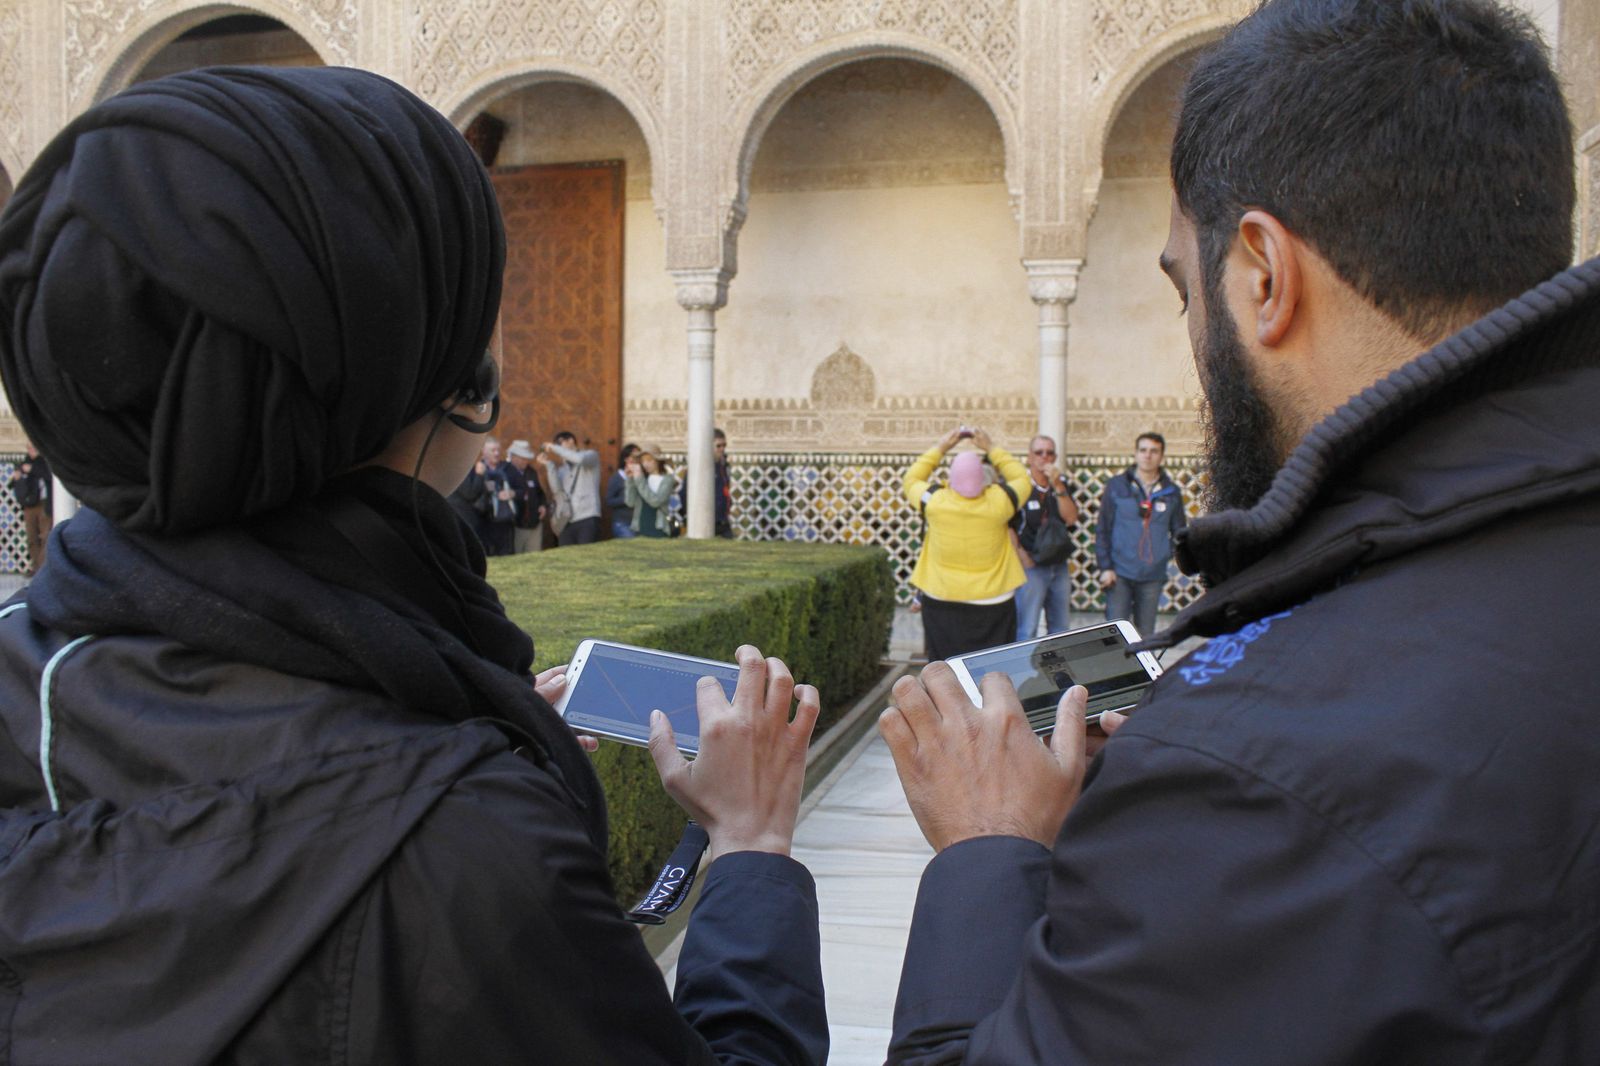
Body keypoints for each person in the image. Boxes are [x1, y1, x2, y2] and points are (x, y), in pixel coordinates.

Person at [0, 66, 828, 1064]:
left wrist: (429, 731)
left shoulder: (25, 666)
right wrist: (750, 848)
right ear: (427, 372)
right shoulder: (462, 853)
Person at [880, 1, 1600, 1062]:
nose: (1191, 332)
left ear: (1261, 275)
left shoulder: (1249, 776)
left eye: (1185, 286)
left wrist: (991, 849)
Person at [903, 427, 1031, 660]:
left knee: (946, 670)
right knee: (994, 669)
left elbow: (911, 479)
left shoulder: (933, 501)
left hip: (942, 600)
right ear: (983, 479)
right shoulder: (1001, 501)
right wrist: (991, 448)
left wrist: (941, 447)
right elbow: (1022, 478)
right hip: (994, 600)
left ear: (951, 478)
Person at [1094, 431, 1186, 636]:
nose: (1148, 455)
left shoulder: (1171, 491)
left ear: (1162, 456)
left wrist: (1164, 555)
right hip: (1119, 573)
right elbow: (1103, 528)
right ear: (1135, 454)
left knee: (1146, 634)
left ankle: (1142, 670)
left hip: (1152, 575)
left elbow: (1179, 531)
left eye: (1154, 451)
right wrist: (1105, 567)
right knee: (1115, 634)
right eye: (1143, 450)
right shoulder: (1117, 485)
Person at [1010, 434, 1079, 641]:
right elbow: (1008, 526)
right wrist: (1023, 557)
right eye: (1039, 452)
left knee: (1060, 627)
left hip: (1058, 564)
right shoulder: (1020, 486)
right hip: (1031, 567)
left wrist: (1058, 485)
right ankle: (1021, 673)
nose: (1044, 457)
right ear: (1030, 457)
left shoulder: (1062, 484)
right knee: (1026, 626)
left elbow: (1071, 518)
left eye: (1049, 453)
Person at [544, 431, 602, 545]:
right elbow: (557, 491)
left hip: (587, 517)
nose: (558, 448)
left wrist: (553, 447)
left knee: (585, 558)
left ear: (571, 441)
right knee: (567, 559)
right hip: (566, 519)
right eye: (556, 444)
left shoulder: (591, 455)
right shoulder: (562, 469)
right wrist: (548, 465)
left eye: (560, 443)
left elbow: (579, 459)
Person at [679, 427, 735, 538]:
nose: (722, 449)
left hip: (722, 520)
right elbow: (684, 493)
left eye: (724, 445)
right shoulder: (699, 467)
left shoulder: (724, 466)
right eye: (718, 446)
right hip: (704, 521)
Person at [8, 441, 52, 574]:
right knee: (32, 536)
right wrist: (17, 477)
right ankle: (37, 567)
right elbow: (14, 483)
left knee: (46, 536)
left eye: (33, 447)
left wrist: (32, 469)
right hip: (30, 505)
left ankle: (43, 568)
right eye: (29, 448)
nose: (31, 450)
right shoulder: (24, 462)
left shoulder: (45, 462)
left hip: (44, 503)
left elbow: (49, 475)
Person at [626, 444, 680, 538]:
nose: (645, 464)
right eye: (643, 461)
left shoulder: (667, 480)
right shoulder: (642, 479)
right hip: (640, 527)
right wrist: (630, 480)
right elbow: (630, 502)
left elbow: (655, 502)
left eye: (649, 460)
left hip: (658, 528)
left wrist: (639, 478)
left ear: (658, 461)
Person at [503, 439, 547, 553]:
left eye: (527, 459)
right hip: (515, 526)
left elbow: (539, 492)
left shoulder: (531, 472)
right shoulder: (504, 472)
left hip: (534, 524)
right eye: (522, 458)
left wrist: (542, 505)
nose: (525, 462)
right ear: (513, 457)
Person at [477, 436, 517, 557]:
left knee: (507, 554)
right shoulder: (477, 469)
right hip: (485, 519)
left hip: (506, 520)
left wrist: (512, 493)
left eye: (498, 450)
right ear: (483, 452)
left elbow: (522, 490)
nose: (497, 453)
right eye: (493, 450)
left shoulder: (508, 468)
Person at [605, 442, 641, 539]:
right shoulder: (617, 478)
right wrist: (626, 499)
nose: (636, 459)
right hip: (622, 523)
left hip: (639, 524)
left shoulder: (641, 477)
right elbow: (609, 501)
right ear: (626, 459)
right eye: (634, 456)